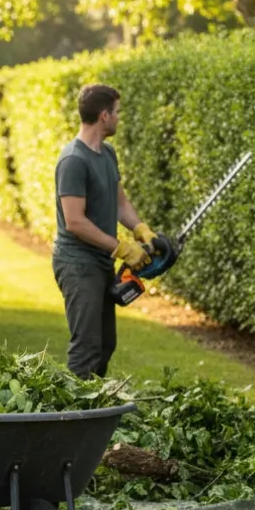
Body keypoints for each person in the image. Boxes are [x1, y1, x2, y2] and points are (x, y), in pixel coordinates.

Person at [52, 84, 169, 378]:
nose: (119, 118)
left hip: (101, 262)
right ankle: (73, 418)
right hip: (78, 264)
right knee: (87, 346)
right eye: (116, 112)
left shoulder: (107, 154)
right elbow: (75, 222)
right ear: (104, 116)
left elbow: (120, 204)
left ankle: (95, 408)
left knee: (105, 345)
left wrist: (143, 232)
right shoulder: (73, 161)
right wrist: (123, 249)